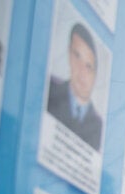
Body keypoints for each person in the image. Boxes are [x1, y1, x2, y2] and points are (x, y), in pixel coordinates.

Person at [46, 22, 102, 150]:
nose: (82, 72)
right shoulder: (49, 91)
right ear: (69, 55)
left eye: (89, 66)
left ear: (95, 74)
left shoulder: (99, 126)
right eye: (77, 57)